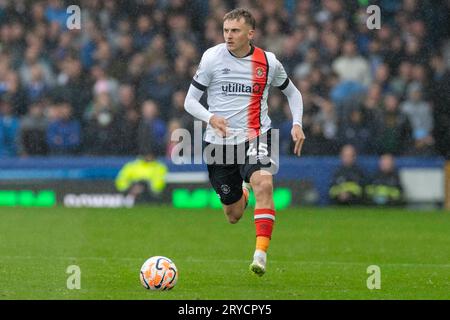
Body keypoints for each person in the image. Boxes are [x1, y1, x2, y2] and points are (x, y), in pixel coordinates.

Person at [183, 8, 305, 276]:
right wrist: (210, 117)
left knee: (264, 184)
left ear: (250, 33)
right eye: (225, 30)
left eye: (235, 31)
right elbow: (189, 102)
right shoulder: (212, 58)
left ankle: (260, 254)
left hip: (257, 135)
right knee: (233, 214)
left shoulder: (268, 62)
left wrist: (297, 123)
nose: (228, 36)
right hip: (218, 143)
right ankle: (243, 191)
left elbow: (293, 94)